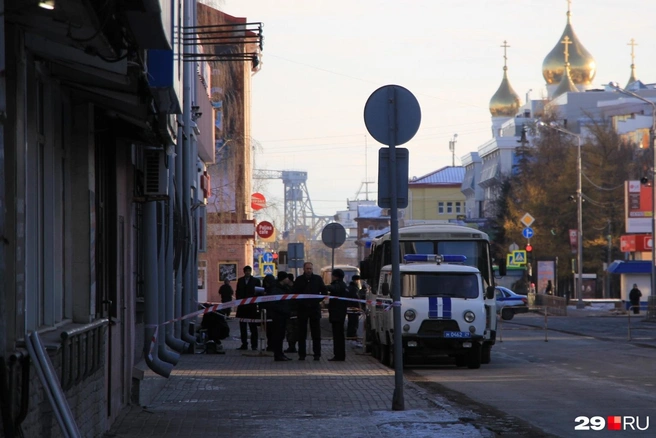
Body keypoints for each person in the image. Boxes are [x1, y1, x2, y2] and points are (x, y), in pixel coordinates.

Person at [292, 262, 327, 360]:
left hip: (314, 309)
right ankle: (302, 354)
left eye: (310, 269)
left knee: (316, 333)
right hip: (302, 309)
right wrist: (300, 302)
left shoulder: (317, 279)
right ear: (304, 269)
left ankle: (317, 354)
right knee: (301, 333)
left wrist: (316, 301)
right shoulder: (299, 280)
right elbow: (294, 293)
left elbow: (324, 292)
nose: (309, 270)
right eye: (307, 269)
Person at [263, 272, 293, 361]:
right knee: (278, 335)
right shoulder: (276, 289)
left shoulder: (284, 288)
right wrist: (283, 310)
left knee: (281, 335)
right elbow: (274, 303)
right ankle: (278, 354)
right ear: (282, 279)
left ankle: (280, 353)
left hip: (283, 315)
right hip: (278, 316)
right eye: (286, 278)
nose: (288, 279)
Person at [235, 266, 262, 351]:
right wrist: (239, 301)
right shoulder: (240, 280)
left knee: (253, 327)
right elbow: (237, 292)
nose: (247, 272)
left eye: (249, 271)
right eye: (246, 271)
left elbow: (259, 292)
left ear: (250, 272)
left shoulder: (256, 281)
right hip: (242, 307)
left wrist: (256, 302)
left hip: (251, 307)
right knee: (242, 327)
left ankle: (254, 345)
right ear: (244, 272)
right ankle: (244, 344)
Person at [326, 269, 349, 361]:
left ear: (336, 276)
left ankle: (339, 355)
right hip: (340, 313)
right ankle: (339, 355)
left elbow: (333, 288)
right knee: (339, 335)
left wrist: (323, 286)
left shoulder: (339, 285)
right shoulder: (343, 285)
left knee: (338, 336)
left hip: (337, 314)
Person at [284, 273, 298, 353]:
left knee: (291, 330)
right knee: (292, 330)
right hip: (293, 310)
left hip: (291, 310)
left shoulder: (287, 288)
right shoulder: (296, 286)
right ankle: (292, 346)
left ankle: (292, 346)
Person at [346, 275, 362, 339]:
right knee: (354, 324)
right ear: (356, 281)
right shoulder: (354, 289)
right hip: (354, 309)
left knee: (351, 323)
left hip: (350, 309)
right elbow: (356, 300)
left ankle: (350, 336)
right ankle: (352, 337)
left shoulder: (350, 287)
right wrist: (358, 309)